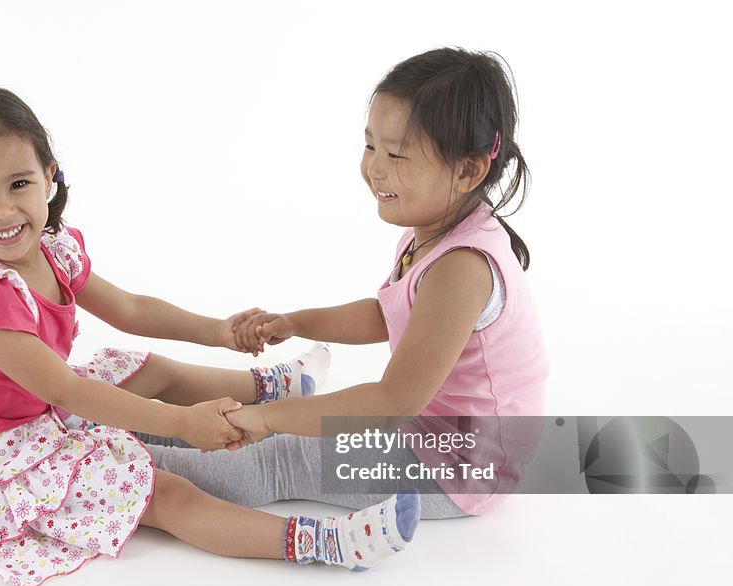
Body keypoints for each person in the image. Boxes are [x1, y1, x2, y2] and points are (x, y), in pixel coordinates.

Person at [0, 87, 420, 586]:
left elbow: (130, 308)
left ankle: (268, 383)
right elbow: (67, 388)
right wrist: (181, 425)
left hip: (42, 410)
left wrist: (221, 332)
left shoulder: (54, 249)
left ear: (49, 175)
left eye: (18, 184)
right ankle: (323, 542)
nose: (2, 212)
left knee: (139, 363)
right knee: (163, 491)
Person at [150, 47, 549, 519]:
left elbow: (391, 401)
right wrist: (297, 322)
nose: (375, 169)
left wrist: (267, 417)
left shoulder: (462, 268)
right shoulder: (430, 230)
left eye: (396, 154)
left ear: (468, 170)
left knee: (282, 456)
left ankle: (110, 466)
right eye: (370, 146)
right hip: (425, 427)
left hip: (462, 465)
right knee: (282, 425)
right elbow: (388, 311)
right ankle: (138, 426)